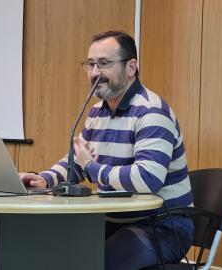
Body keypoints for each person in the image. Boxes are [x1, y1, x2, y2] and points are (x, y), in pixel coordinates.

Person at [20, 30, 194, 269]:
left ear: (131, 67)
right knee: (56, 250)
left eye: (104, 64)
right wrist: (44, 179)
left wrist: (92, 168)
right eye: (90, 64)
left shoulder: (151, 112)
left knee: (96, 262)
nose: (94, 73)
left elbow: (147, 179)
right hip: (114, 220)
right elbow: (78, 163)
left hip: (161, 226)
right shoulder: (96, 111)